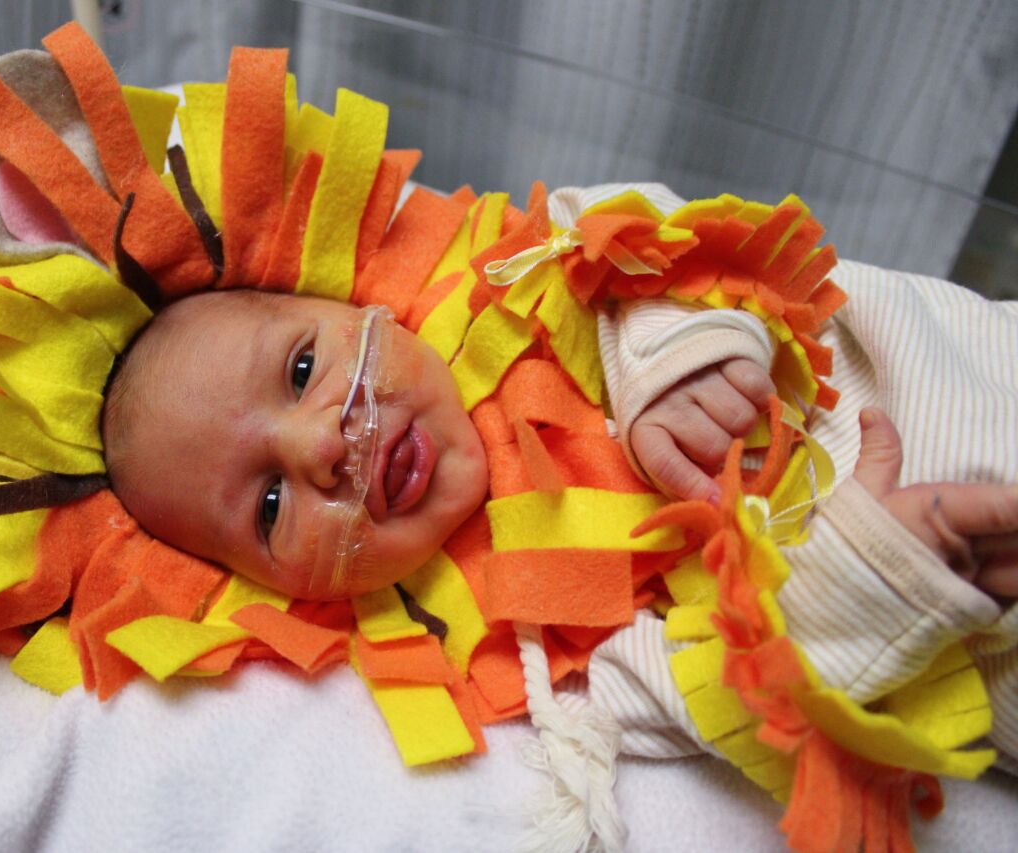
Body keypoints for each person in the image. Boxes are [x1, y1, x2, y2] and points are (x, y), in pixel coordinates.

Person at [101, 183, 1018, 779]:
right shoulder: (524, 650)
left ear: (357, 301)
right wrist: (869, 576)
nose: (322, 446)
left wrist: (674, 360)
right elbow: (705, 698)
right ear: (282, 595)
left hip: (959, 367)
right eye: (268, 505)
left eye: (302, 370)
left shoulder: (527, 275)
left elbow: (647, 231)